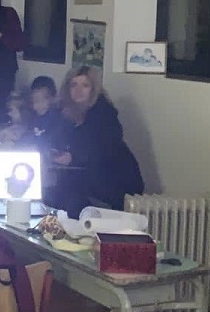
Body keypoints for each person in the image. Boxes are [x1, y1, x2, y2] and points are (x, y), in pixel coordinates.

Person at [49, 66, 144, 214]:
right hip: (86, 177)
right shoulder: (65, 112)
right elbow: (54, 138)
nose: (78, 90)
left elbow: (103, 149)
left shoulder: (104, 115)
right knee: (51, 193)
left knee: (71, 198)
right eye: (74, 85)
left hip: (115, 181)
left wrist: (73, 157)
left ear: (93, 89)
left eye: (85, 85)